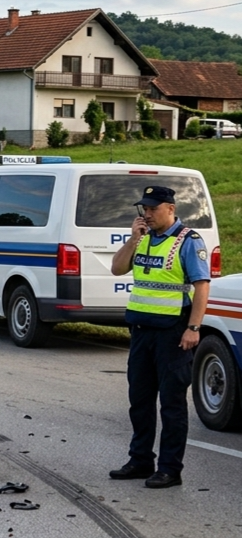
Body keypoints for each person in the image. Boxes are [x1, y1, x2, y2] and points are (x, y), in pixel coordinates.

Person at [109, 186, 211, 489]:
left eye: (153, 209)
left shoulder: (188, 241)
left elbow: (202, 286)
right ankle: (140, 460)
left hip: (173, 334)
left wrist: (193, 328)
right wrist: (133, 238)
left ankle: (169, 468)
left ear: (170, 208)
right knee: (139, 401)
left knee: (171, 404)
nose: (147, 214)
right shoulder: (142, 240)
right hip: (141, 332)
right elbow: (117, 268)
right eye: (144, 209)